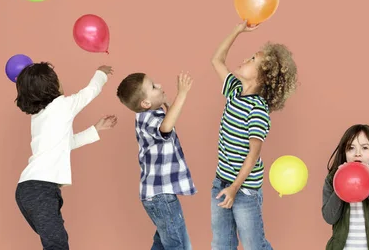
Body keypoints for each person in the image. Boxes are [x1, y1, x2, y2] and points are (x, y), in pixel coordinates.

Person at [210, 20, 298, 250]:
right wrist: (237, 30)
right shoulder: (234, 91)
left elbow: (253, 154)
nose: (245, 60)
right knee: (221, 244)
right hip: (222, 181)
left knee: (253, 245)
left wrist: (235, 188)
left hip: (244, 189)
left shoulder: (257, 110)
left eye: (252, 60)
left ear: (262, 77)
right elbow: (216, 60)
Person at [15, 62, 117, 250]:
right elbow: (90, 92)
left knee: (55, 242)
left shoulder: (38, 117)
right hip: (40, 190)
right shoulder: (62, 105)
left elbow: (67, 144)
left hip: (29, 190)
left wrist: (96, 129)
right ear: (52, 87)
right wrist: (101, 73)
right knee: (57, 244)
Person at [117, 71, 196, 250]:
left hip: (159, 196)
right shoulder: (148, 119)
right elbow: (166, 128)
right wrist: (182, 94)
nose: (159, 85)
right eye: (153, 86)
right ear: (145, 103)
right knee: (179, 245)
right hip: (161, 197)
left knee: (163, 243)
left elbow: (167, 124)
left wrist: (168, 104)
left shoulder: (151, 115)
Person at [322, 124, 369, 250]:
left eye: (365, 148)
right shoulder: (332, 179)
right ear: (344, 153)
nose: (358, 154)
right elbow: (329, 217)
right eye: (351, 148)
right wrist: (340, 184)